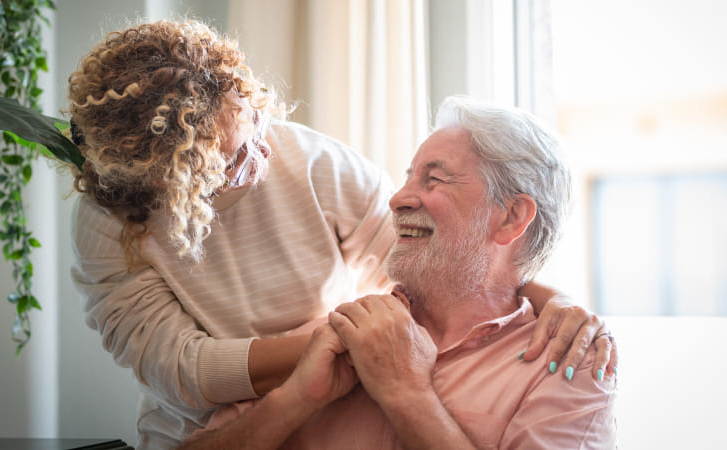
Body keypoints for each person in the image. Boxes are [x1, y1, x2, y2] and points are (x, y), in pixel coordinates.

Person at [67, 20, 615, 448]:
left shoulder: (308, 161)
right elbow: (189, 372)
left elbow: (436, 250)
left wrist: (554, 299)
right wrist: (323, 367)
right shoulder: (110, 225)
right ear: (173, 180)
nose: (263, 150)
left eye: (255, 119)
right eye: (233, 160)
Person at [180, 96, 617, 450]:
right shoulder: (333, 336)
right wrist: (296, 400)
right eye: (409, 177)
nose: (398, 199)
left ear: (512, 218)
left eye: (434, 180)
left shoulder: (571, 369)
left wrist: (407, 395)